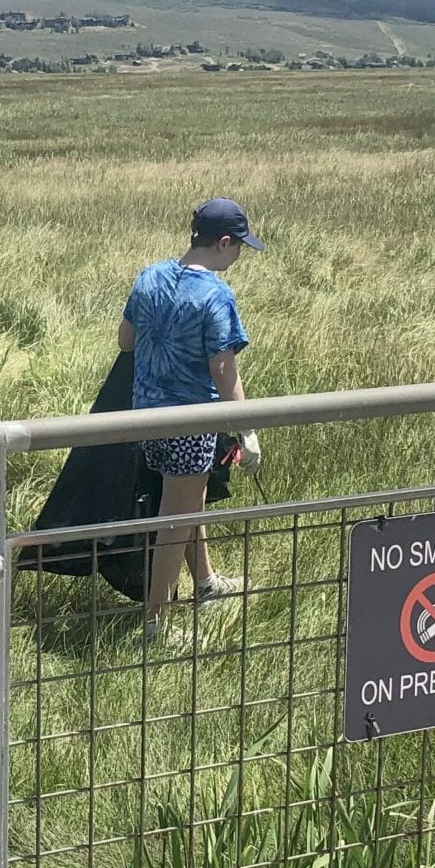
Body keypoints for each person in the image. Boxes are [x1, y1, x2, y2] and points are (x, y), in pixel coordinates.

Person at [120, 198, 261, 644]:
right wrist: (247, 429)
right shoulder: (216, 295)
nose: (239, 256)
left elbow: (126, 341)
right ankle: (155, 623)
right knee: (174, 519)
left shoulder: (150, 276)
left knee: (184, 500)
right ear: (223, 243)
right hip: (190, 423)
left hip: (146, 418)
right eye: (239, 247)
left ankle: (205, 582)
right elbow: (224, 371)